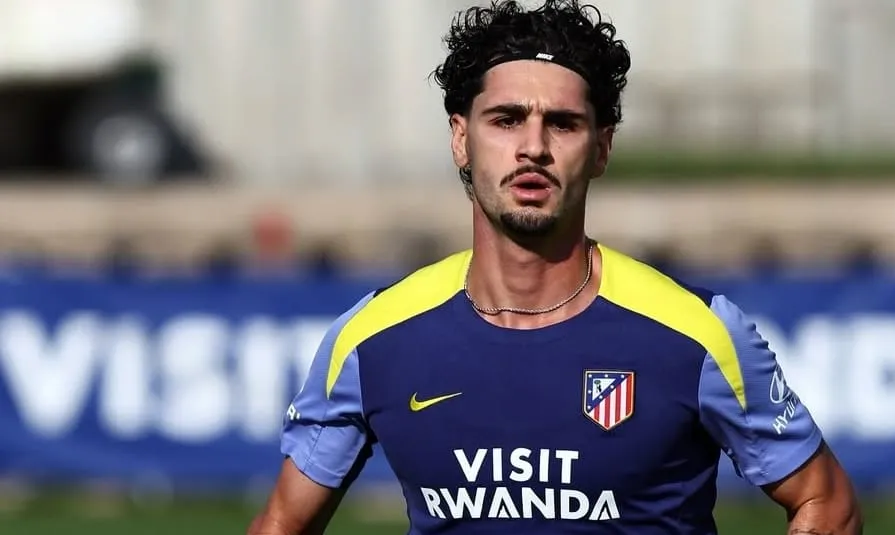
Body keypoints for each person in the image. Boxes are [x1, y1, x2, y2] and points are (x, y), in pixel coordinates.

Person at [248, 1, 863, 533]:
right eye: (507, 119)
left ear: (600, 147)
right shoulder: (372, 338)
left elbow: (824, 503)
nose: (533, 147)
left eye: (562, 124)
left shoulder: (697, 333)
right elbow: (282, 522)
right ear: (462, 138)